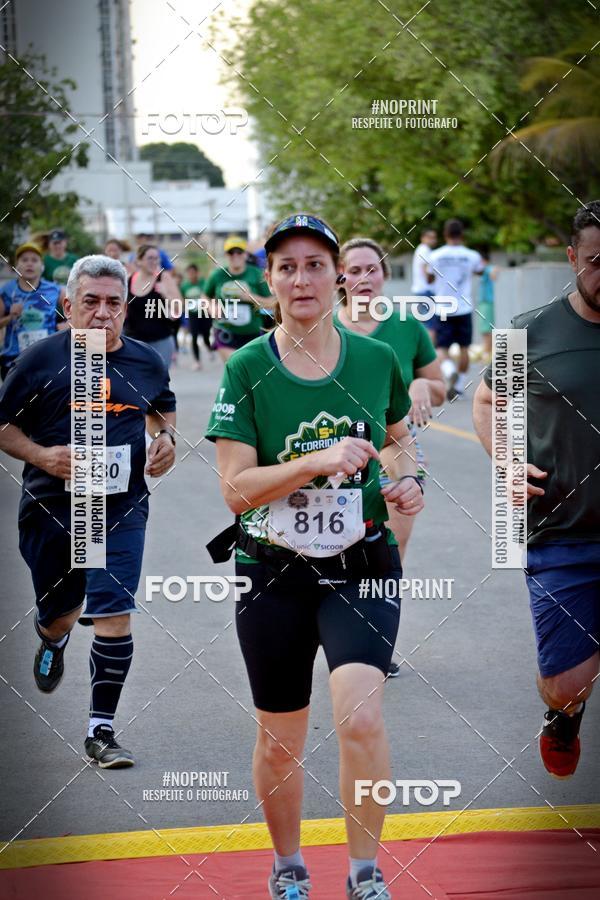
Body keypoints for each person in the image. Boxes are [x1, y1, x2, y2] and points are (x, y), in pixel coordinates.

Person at [206, 213, 424, 899]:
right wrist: (317, 460)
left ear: (338, 278)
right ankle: (289, 866)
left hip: (361, 564)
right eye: (287, 267)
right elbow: (236, 489)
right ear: (268, 281)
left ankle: (364, 871)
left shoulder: (374, 359)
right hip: (273, 571)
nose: (302, 278)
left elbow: (396, 439)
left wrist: (405, 475)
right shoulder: (246, 368)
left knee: (361, 714)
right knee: (280, 737)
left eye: (315, 265)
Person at [0, 255, 176, 767]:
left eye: (114, 303)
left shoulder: (145, 361)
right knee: (63, 613)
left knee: (112, 612)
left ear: (127, 307)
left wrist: (164, 440)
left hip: (121, 506)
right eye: (91, 302)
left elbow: (161, 409)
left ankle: (101, 731)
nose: (103, 313)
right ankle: (50, 636)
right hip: (52, 506)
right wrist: (39, 455)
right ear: (68, 304)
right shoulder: (38, 361)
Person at [473, 200, 600, 780]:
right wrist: (506, 456)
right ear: (572, 258)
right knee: (565, 685)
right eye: (597, 261)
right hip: (562, 532)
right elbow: (487, 400)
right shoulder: (530, 331)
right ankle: (564, 718)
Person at [336, 236, 445, 677]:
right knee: (330, 547)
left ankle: (373, 646)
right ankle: (326, 630)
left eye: (373, 269)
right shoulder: (323, 327)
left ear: (385, 274)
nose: (364, 278)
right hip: (332, 455)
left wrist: (422, 386)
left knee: (390, 552)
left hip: (395, 449)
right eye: (355, 270)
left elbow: (436, 385)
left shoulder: (406, 326)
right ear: (341, 276)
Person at [427, 219, 484, 398]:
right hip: (464, 308)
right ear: (462, 235)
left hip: (442, 308)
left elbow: (429, 279)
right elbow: (480, 271)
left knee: (441, 348)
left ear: (445, 234)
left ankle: (449, 370)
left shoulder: (435, 255)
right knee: (464, 348)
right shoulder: (472, 255)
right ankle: (458, 387)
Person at [0, 242, 65, 380]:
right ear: (17, 266)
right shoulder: (6, 291)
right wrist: (10, 317)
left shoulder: (55, 290)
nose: (29, 264)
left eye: (34, 260)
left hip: (47, 358)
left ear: (42, 267)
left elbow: (79, 310)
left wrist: (67, 325)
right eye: (24, 260)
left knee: (44, 401)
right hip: (13, 361)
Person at [203, 235, 272, 361]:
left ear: (245, 254)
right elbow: (205, 297)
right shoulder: (217, 275)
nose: (235, 256)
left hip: (253, 334)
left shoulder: (257, 274)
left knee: (250, 374)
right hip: (225, 332)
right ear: (226, 255)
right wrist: (211, 307)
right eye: (231, 253)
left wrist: (251, 297)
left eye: (239, 252)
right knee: (234, 367)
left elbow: (272, 302)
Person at [125, 244, 182, 369]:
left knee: (158, 383)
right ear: (139, 260)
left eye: (157, 258)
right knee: (135, 382)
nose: (154, 262)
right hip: (134, 342)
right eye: (150, 258)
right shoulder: (128, 280)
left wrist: (165, 294)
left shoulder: (163, 278)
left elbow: (178, 310)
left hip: (160, 341)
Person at [181, 263, 212, 370]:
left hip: (205, 313)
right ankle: (197, 361)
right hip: (193, 314)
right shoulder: (184, 286)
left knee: (206, 335)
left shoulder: (204, 283)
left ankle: (209, 348)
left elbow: (209, 295)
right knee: (194, 337)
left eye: (193, 273)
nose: (191, 275)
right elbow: (182, 299)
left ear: (197, 273)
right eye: (189, 273)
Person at [410, 228, 437, 341]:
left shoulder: (420, 249)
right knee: (431, 325)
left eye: (434, 238)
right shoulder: (425, 250)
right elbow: (425, 268)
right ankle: (430, 352)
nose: (433, 240)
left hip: (420, 290)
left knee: (423, 322)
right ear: (423, 238)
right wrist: (433, 280)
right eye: (430, 237)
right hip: (426, 290)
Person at [477, 252, 499, 361]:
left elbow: (494, 272)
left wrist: (493, 270)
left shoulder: (487, 268)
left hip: (487, 302)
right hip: (484, 302)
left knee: (486, 328)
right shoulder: (483, 271)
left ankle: (487, 352)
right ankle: (487, 351)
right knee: (484, 328)